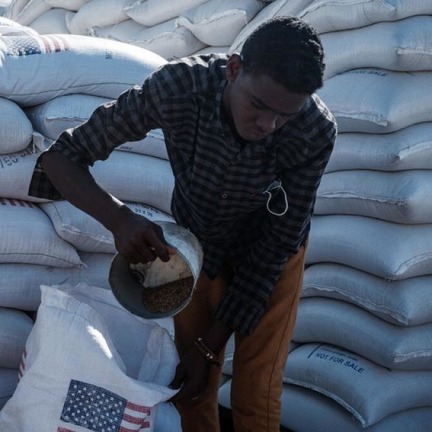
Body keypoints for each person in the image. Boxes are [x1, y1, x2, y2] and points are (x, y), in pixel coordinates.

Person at [28, 15, 337, 432]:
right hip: (195, 250)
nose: (269, 126)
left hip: (271, 257)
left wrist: (211, 345)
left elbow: (274, 249)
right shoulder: (178, 89)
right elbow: (61, 158)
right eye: (260, 107)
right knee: (192, 389)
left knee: (256, 390)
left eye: (285, 116)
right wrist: (119, 220)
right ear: (233, 70)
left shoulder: (314, 130)